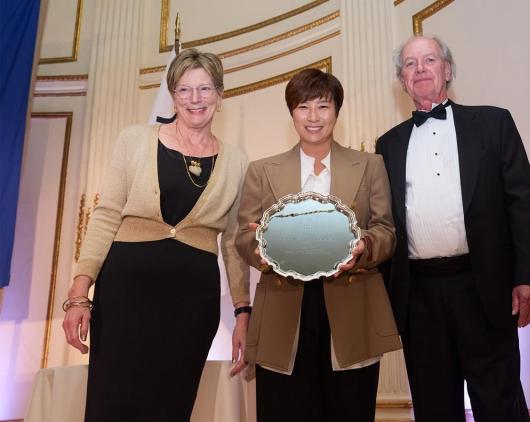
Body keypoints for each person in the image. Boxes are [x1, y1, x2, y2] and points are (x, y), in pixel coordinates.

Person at [61, 48, 250, 421]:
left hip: (192, 306)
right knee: (112, 404)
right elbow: (105, 215)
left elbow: (232, 242)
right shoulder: (134, 140)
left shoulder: (237, 162)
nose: (195, 99)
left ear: (220, 95)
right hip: (124, 299)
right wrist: (79, 293)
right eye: (184, 90)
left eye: (205, 89)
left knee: (172, 406)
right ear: (173, 95)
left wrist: (243, 311)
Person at [375, 36, 530, 421]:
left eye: (429, 59)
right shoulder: (387, 144)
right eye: (409, 64)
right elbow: (384, 223)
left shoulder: (493, 123)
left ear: (447, 70)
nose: (419, 69)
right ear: (401, 80)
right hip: (418, 297)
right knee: (433, 405)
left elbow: (522, 202)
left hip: (484, 286)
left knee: (499, 402)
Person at [234, 68, 402, 422]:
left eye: (323, 106)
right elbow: (243, 236)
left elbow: (386, 231)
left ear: (336, 111)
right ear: (291, 112)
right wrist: (263, 249)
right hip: (283, 311)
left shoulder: (370, 165)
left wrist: (364, 246)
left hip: (351, 307)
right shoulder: (262, 170)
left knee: (349, 409)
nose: (313, 117)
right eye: (303, 107)